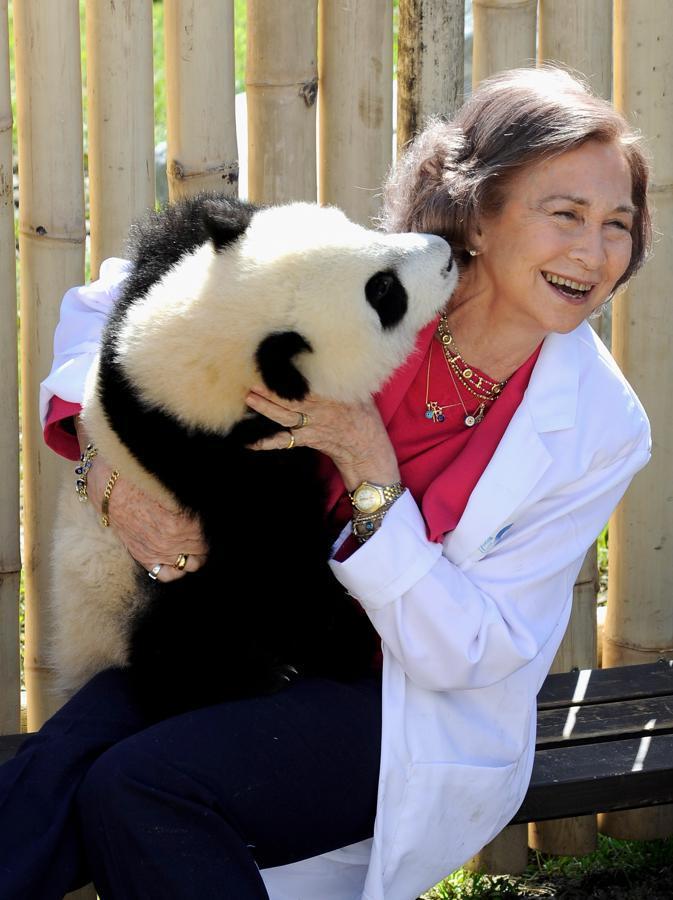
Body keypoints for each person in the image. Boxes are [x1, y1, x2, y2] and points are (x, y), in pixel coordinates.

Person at [0, 66, 652, 900]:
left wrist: (370, 469)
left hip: (403, 701)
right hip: (242, 639)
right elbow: (119, 302)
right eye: (564, 215)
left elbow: (476, 652)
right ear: (477, 215)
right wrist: (104, 477)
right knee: (64, 765)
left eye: (616, 226)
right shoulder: (370, 280)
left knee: (142, 786)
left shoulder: (600, 427)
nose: (591, 253)